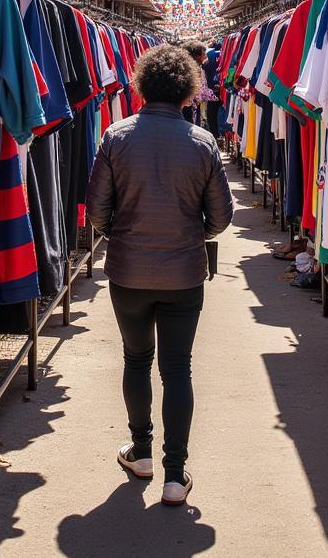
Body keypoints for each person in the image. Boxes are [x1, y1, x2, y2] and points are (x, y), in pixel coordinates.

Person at [85, 44, 234, 506]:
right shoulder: (202, 143)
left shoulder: (115, 136)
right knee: (177, 370)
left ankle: (142, 452)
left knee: (135, 359)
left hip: (128, 272)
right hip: (183, 273)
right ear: (189, 92)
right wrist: (193, 234)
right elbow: (222, 216)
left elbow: (95, 211)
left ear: (142, 85)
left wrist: (120, 233)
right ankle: (175, 474)